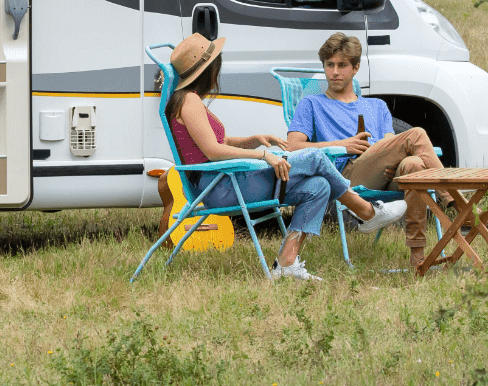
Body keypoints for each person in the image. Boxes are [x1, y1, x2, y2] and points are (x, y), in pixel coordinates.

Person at [167, 32, 406, 281]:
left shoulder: (188, 101)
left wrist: (254, 138)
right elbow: (212, 151)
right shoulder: (190, 101)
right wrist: (263, 155)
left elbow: (219, 142)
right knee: (313, 157)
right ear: (208, 69)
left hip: (225, 181)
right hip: (220, 187)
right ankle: (365, 212)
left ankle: (286, 264)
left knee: (319, 186)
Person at [284, 32, 453, 271]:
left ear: (355, 68)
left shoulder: (376, 106)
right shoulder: (311, 104)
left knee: (413, 166)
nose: (334, 72)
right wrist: (344, 145)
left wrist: (395, 158)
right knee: (416, 134)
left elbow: (390, 142)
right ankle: (454, 199)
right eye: (329, 65)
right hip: (348, 176)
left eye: (342, 65)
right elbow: (292, 147)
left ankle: (418, 259)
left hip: (386, 172)